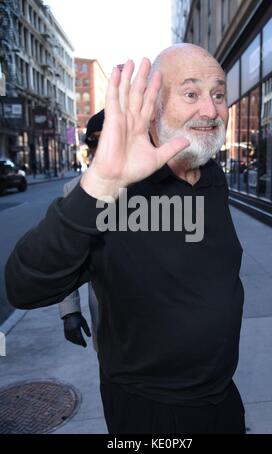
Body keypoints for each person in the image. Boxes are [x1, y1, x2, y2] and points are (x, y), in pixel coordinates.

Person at [5, 44, 245, 434]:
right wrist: (99, 185)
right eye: (190, 93)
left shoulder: (213, 177)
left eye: (218, 94)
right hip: (150, 412)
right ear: (153, 108)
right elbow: (24, 287)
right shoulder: (115, 195)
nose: (210, 109)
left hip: (221, 398)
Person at [59, 110, 105, 351]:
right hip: (106, 312)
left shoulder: (150, 183)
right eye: (94, 141)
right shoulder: (74, 190)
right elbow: (67, 256)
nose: (101, 147)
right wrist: (70, 311)